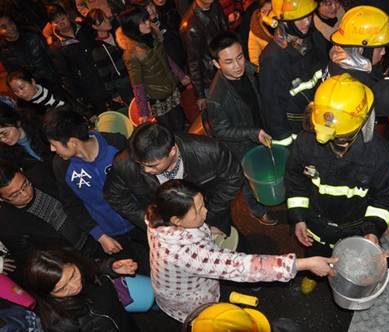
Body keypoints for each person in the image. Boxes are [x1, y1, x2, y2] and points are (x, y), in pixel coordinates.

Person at [146, 179, 337, 322]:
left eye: (203, 204)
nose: (205, 212)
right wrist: (308, 263)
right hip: (189, 300)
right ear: (176, 221)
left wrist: (206, 231)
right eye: (197, 211)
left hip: (172, 285)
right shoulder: (184, 254)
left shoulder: (156, 217)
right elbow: (244, 267)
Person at [285, 74, 389, 294]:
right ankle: (312, 276)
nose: (337, 146)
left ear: (365, 123)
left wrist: (373, 229)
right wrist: (298, 217)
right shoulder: (305, 143)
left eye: (343, 138)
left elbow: (385, 196)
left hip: (354, 230)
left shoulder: (379, 155)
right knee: (315, 257)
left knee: (346, 264)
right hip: (315, 224)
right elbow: (295, 179)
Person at [42, 109, 150, 273]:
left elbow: (143, 180)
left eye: (54, 144)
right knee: (136, 270)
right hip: (110, 233)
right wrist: (99, 235)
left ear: (73, 142)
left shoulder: (116, 143)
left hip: (142, 218)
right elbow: (72, 205)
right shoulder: (61, 165)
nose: (51, 149)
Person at [103, 122, 243, 237]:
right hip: (170, 232)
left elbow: (233, 179)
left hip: (212, 217)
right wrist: (157, 223)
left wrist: (207, 218)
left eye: (153, 165)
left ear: (172, 151)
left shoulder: (209, 151)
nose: (145, 170)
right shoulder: (125, 164)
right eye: (141, 164)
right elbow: (114, 196)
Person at [206, 31, 276, 226]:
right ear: (216, 64)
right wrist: (252, 133)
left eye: (239, 57)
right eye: (228, 62)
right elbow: (221, 131)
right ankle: (257, 210)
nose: (237, 66)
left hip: (259, 128)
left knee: (266, 167)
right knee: (248, 181)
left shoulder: (247, 70)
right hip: (242, 146)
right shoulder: (216, 97)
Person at [0, 162, 99, 281]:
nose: (25, 194)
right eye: (15, 195)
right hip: (73, 265)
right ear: (2, 198)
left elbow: (76, 202)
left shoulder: (42, 174)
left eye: (25, 184)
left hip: (96, 234)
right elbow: (38, 260)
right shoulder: (7, 227)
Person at [259, 0, 330, 147]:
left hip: (316, 120)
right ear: (283, 22)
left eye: (308, 16)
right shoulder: (273, 57)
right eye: (299, 18)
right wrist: (285, 146)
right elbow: (273, 108)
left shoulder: (314, 37)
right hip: (295, 130)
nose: (306, 22)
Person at [25, 248, 139, 332]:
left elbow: (95, 269)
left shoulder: (82, 269)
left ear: (74, 263)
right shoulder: (59, 324)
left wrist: (112, 267)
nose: (75, 287)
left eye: (73, 275)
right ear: (48, 294)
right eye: (62, 288)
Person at [117, 5, 187, 133]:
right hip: (157, 97)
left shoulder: (154, 34)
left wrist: (180, 75)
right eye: (142, 22)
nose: (147, 23)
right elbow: (137, 84)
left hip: (171, 86)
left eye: (146, 19)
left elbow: (165, 58)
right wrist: (143, 111)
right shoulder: (132, 53)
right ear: (132, 26)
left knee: (180, 123)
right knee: (168, 130)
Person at [47, 4, 110, 115]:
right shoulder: (57, 48)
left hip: (107, 76)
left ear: (67, 16)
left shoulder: (84, 27)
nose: (61, 23)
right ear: (52, 25)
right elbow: (65, 75)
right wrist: (76, 97)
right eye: (56, 22)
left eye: (63, 18)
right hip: (89, 88)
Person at [179, 0, 228, 111]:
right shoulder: (189, 25)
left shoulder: (215, 5)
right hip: (211, 78)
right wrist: (200, 94)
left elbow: (226, 32)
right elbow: (193, 63)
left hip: (227, 66)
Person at [88, 8, 134, 107]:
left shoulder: (118, 34)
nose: (107, 21)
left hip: (133, 75)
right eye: (102, 21)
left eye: (106, 18)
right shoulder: (98, 50)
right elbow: (104, 74)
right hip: (122, 85)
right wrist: (114, 93)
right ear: (94, 26)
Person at [0, 11, 60, 84]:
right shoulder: (4, 51)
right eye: (4, 27)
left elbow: (52, 57)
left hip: (54, 79)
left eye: (11, 23)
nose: (11, 28)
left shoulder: (32, 35)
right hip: (33, 87)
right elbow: (14, 76)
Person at [7, 68, 90, 117]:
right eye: (15, 91)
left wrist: (89, 115)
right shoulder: (24, 110)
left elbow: (72, 102)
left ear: (32, 82)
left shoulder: (50, 85)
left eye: (22, 87)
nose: (20, 93)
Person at [0, 104, 53, 172]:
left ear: (17, 123)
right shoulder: (5, 154)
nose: (3, 140)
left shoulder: (42, 127)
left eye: (5, 133)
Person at [247, 0, 274, 68]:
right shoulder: (255, 32)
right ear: (259, 12)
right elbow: (255, 62)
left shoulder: (284, 23)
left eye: (270, 10)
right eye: (263, 11)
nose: (267, 15)